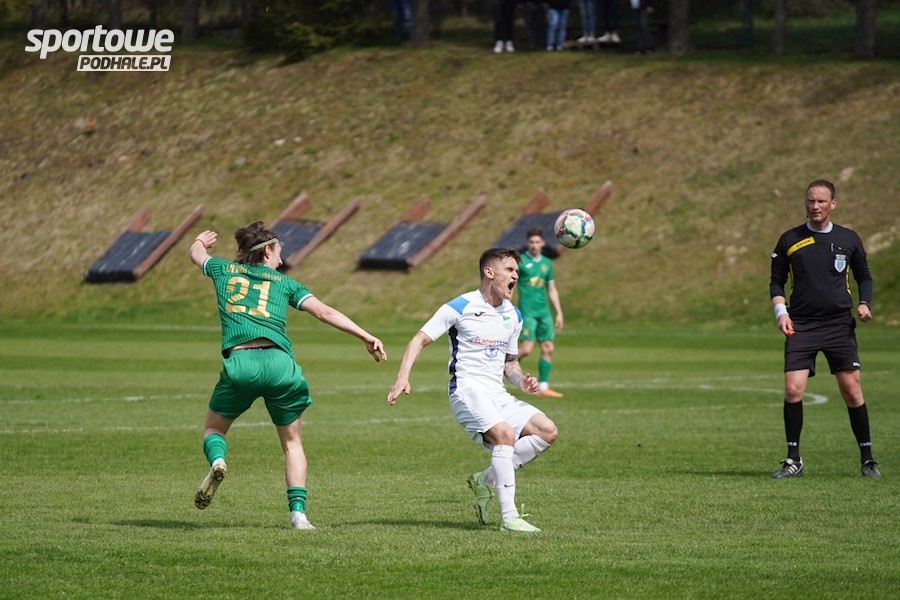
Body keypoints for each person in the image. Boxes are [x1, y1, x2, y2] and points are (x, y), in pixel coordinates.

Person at [190, 222, 388, 529]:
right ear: (267, 252)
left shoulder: (222, 270)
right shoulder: (285, 284)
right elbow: (325, 312)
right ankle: (299, 516)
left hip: (241, 363)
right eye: (279, 252)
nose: (281, 260)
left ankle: (218, 461)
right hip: (280, 365)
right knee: (292, 443)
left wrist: (200, 241)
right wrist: (366, 335)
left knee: (214, 429)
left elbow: (197, 254)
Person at [387, 248, 559, 533]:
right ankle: (510, 518)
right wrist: (402, 378)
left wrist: (521, 382)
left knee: (547, 431)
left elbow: (510, 363)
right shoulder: (460, 306)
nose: (516, 276)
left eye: (517, 271)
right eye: (510, 270)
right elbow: (418, 340)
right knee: (504, 435)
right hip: (466, 390)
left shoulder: (514, 315)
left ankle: (485, 479)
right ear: (489, 272)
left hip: (497, 393)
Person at [769, 180, 880, 479]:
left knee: (852, 391)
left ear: (833, 204)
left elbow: (864, 276)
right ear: (805, 203)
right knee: (793, 389)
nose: (815, 206)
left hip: (838, 325)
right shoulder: (790, 239)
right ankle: (793, 460)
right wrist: (781, 313)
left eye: (821, 201)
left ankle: (868, 459)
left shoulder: (848, 239)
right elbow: (776, 281)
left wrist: (864, 303)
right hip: (801, 325)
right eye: (810, 201)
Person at [517, 227, 565, 397]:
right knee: (526, 350)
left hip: (544, 312)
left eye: (537, 242)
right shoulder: (520, 262)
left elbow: (551, 288)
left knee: (548, 348)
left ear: (542, 243)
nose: (534, 245)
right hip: (527, 312)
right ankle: (500, 368)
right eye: (531, 242)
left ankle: (543, 387)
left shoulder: (547, 263)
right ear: (527, 243)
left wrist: (558, 312)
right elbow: (510, 285)